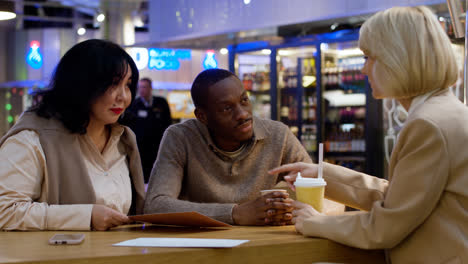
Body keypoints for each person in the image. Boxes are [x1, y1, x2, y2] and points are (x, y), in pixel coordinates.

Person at [269, 6, 468, 264]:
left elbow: (386, 227)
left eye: (369, 58)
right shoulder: (443, 114)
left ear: (397, 59)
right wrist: (324, 174)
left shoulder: (428, 124)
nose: (363, 70)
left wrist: (315, 222)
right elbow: (403, 199)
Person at [0, 39, 145, 231]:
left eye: (128, 85)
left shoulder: (124, 139)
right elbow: (5, 210)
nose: (124, 97)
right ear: (81, 84)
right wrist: (85, 216)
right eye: (113, 84)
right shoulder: (33, 138)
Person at [144, 68, 312, 225]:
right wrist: (235, 213)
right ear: (202, 116)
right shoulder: (181, 137)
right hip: (201, 247)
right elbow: (155, 205)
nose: (242, 114)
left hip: (262, 243)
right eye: (226, 109)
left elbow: (319, 185)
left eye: (244, 100)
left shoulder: (278, 135)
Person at [123, 78, 172, 183]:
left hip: (158, 147)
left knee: (157, 174)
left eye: (144, 87)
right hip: (140, 148)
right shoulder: (134, 105)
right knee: (141, 175)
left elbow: (168, 123)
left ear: (150, 88)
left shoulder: (161, 103)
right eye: (140, 87)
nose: (141, 90)